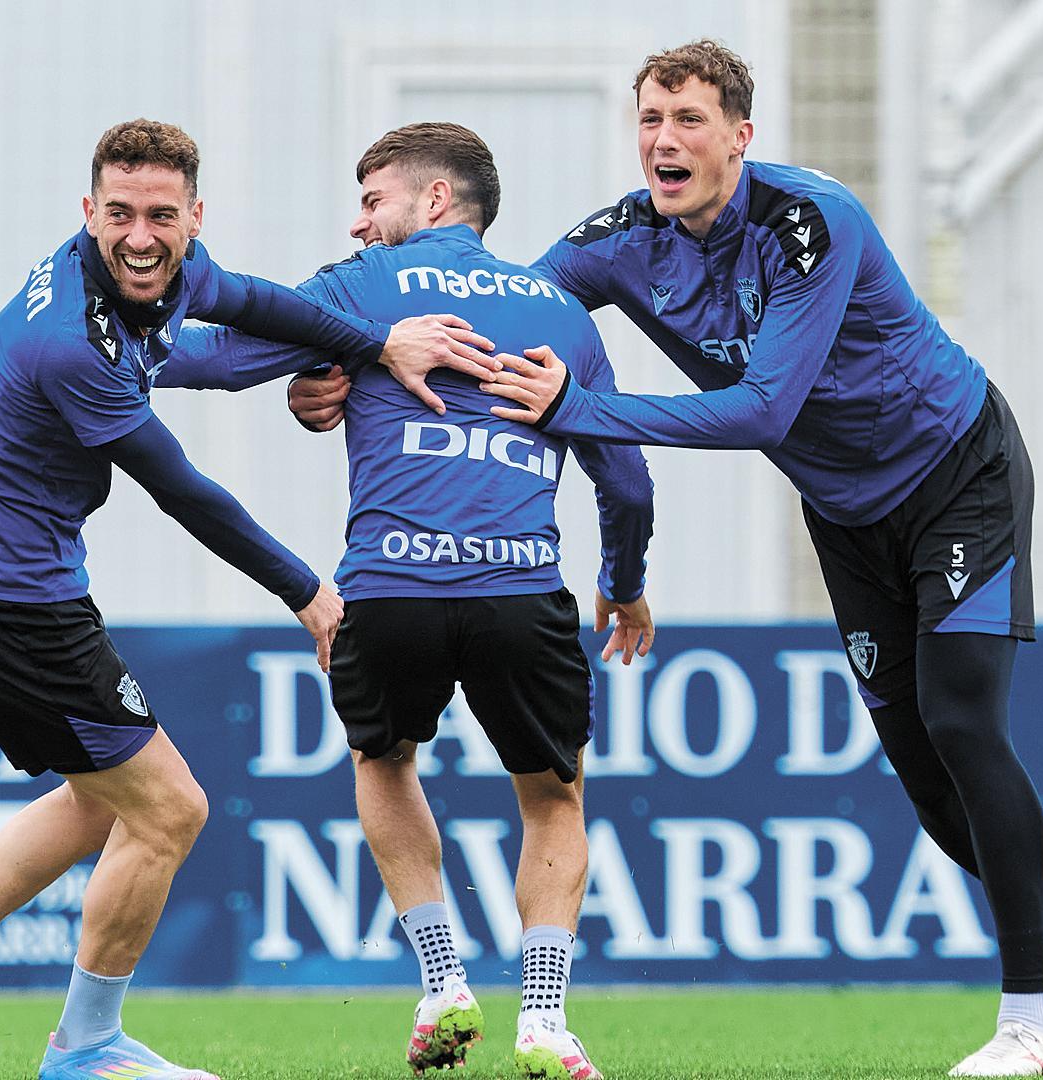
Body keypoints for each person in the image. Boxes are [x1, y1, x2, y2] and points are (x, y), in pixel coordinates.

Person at [291, 43, 1043, 1079]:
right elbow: (503, 310)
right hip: (846, 512)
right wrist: (358, 358)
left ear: (740, 139)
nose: (665, 140)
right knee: (919, 768)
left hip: (955, 470)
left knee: (962, 720)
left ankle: (1031, 1021)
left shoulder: (812, 221)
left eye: (690, 120)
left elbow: (765, 409)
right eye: (651, 120)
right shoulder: (624, 239)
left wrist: (580, 407)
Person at [0, 118, 497, 1080]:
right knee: (170, 810)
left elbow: (259, 310)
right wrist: (310, 593)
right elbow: (186, 491)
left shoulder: (169, 275)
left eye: (161, 215)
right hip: (7, 608)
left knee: (97, 799)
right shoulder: (69, 343)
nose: (141, 236)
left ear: (194, 217)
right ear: (88, 213)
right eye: (120, 214)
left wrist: (371, 345)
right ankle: (84, 1047)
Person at [176, 122, 654, 1080]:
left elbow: (219, 358)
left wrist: (105, 349)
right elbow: (627, 481)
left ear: (434, 200)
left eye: (373, 199)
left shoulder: (357, 290)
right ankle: (548, 1021)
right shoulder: (562, 311)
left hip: (390, 588)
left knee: (383, 761)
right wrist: (625, 584)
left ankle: (442, 981)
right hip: (523, 587)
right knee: (554, 800)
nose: (358, 225)